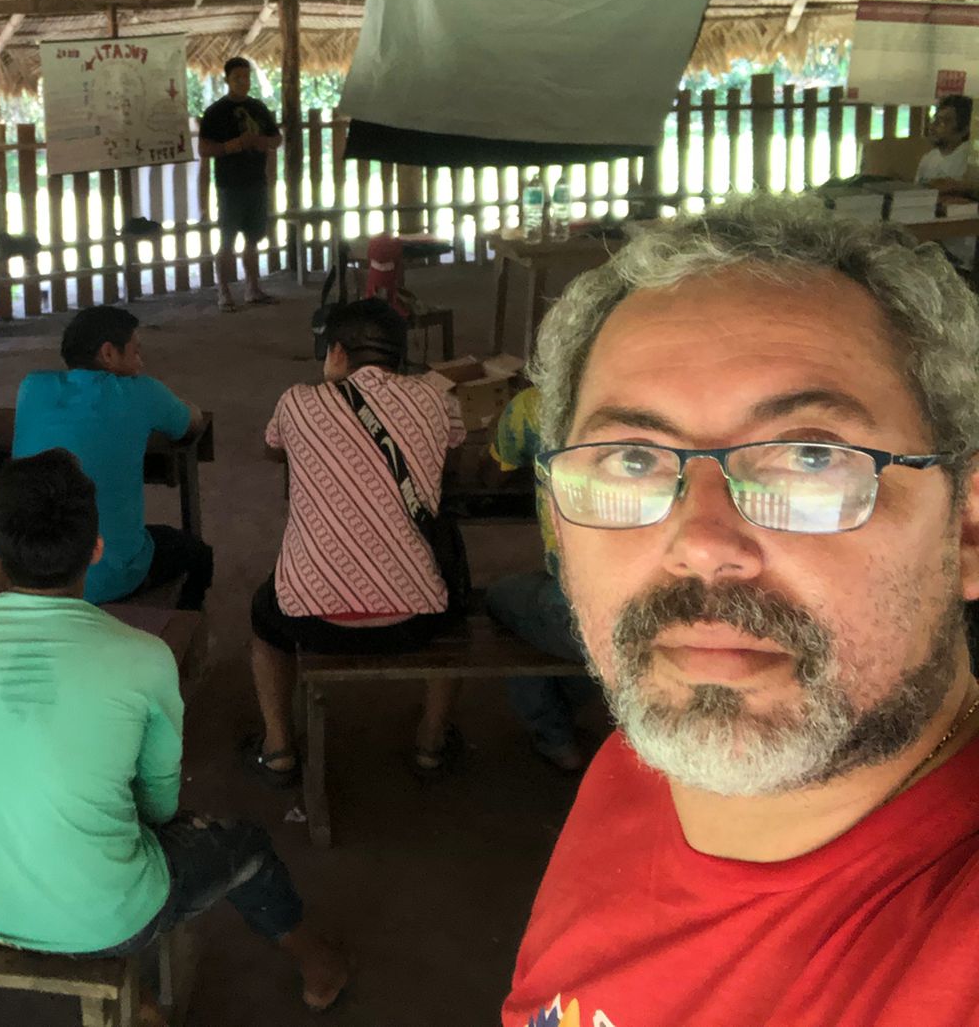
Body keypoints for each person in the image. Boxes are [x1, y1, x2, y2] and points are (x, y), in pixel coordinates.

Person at [502, 196, 979, 1026]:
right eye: (634, 459)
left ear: (968, 528)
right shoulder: (637, 764)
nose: (701, 544)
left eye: (810, 456)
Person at [0, 449, 351, 1011]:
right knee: (245, 847)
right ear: (97, 551)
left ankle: (141, 997)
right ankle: (319, 963)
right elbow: (159, 804)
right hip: (114, 917)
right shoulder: (143, 657)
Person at [249, 299, 467, 785]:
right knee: (458, 604)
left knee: (263, 624)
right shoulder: (437, 399)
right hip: (416, 620)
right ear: (399, 355)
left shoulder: (297, 402)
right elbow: (450, 455)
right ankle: (431, 743)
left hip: (309, 619)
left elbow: (272, 449)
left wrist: (331, 391)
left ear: (336, 352)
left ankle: (278, 749)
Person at [12, 305, 211, 609]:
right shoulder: (142, 393)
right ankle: (186, 624)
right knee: (198, 554)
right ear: (108, 353)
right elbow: (191, 423)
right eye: (135, 351)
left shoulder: (31, 387)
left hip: (29, 572)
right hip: (104, 577)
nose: (140, 362)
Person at [483, 386, 593, 772]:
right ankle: (566, 705)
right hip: (645, 603)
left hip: (580, 613)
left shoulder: (533, 406)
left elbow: (492, 478)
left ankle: (554, 735)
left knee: (498, 601)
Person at [198, 56, 281, 312]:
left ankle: (252, 288)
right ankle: (223, 292)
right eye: (237, 78)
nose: (243, 82)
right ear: (227, 80)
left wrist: (262, 142)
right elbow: (204, 149)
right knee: (227, 241)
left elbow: (277, 139)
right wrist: (229, 147)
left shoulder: (259, 108)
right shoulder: (215, 112)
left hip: (256, 182)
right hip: (229, 185)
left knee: (253, 239)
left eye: (246, 77)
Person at [916, 94, 979, 267]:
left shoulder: (970, 159)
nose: (934, 126)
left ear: (964, 129)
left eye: (945, 121)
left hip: (959, 250)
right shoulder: (929, 158)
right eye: (935, 119)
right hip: (928, 240)